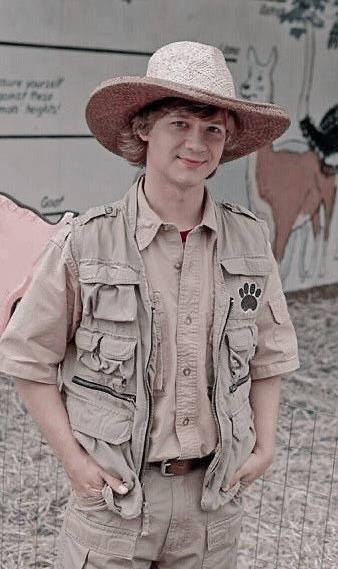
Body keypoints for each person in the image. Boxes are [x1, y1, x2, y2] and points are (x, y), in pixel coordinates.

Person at [0, 41, 299, 568]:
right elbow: (27, 358)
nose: (197, 143)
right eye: (179, 124)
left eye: (213, 129)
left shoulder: (249, 242)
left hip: (212, 501)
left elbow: (268, 353)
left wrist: (265, 445)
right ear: (144, 129)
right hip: (112, 505)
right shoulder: (86, 243)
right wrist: (74, 462)